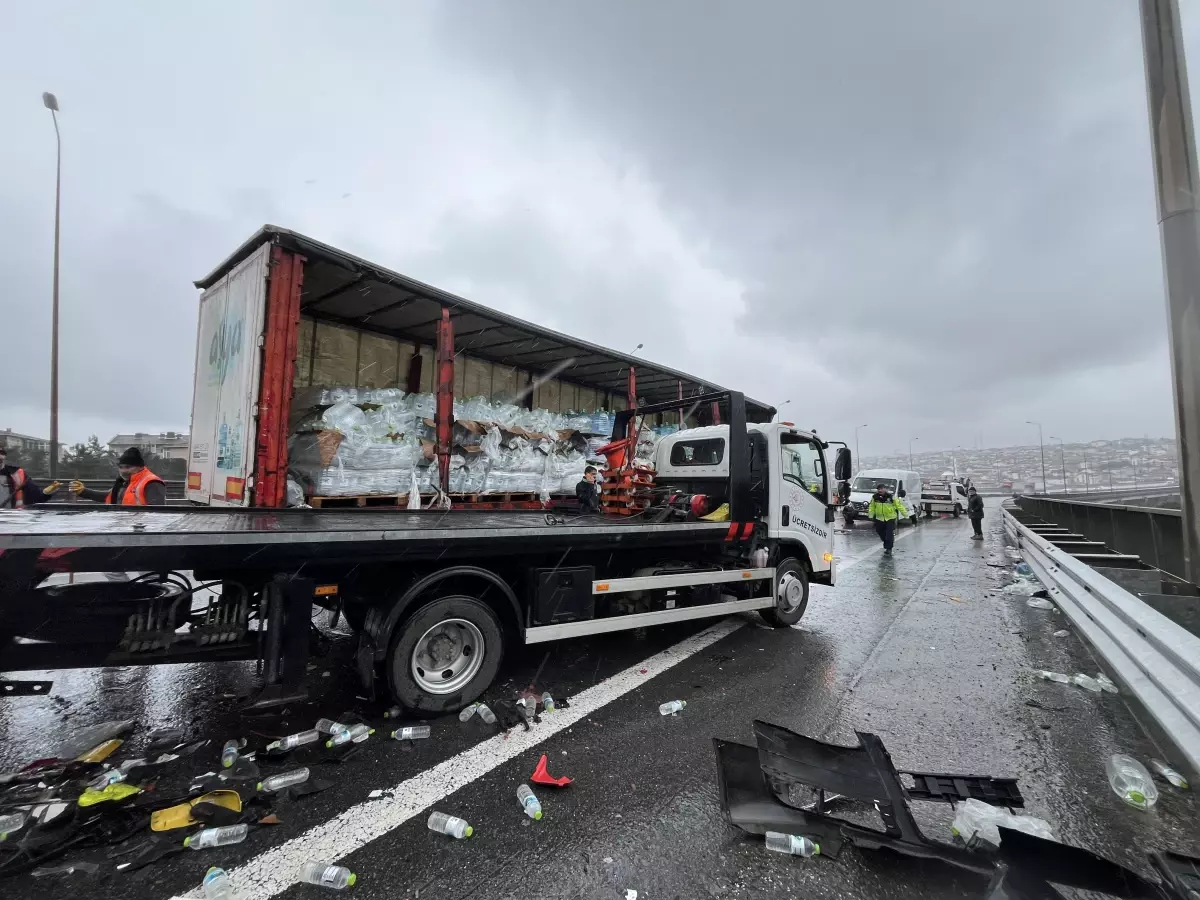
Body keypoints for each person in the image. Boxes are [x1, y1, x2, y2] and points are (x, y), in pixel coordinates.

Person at [70, 447, 166, 506]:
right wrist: (83, 491)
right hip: (124, 526)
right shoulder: (124, 482)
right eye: (121, 467)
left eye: (128, 467)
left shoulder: (152, 482)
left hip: (141, 529)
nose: (123, 471)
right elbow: (108, 496)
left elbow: (156, 512)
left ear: (140, 467)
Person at [867, 482, 906, 556]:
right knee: (880, 532)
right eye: (878, 489)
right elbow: (872, 506)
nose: (880, 490)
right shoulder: (875, 497)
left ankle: (889, 549)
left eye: (881, 489)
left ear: (885, 489)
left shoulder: (891, 497)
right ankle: (887, 544)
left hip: (890, 518)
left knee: (889, 535)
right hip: (879, 518)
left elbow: (899, 506)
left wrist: (905, 514)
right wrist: (871, 515)